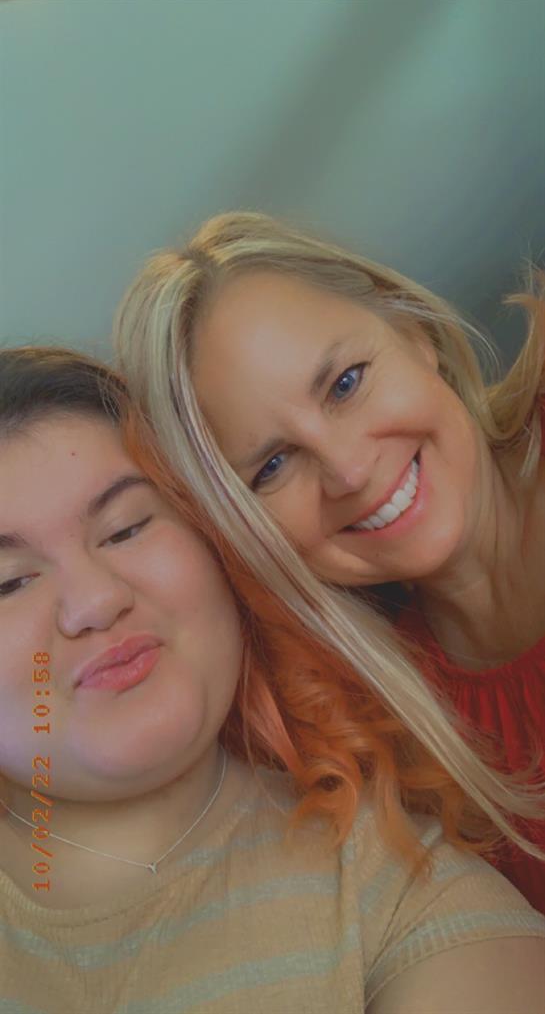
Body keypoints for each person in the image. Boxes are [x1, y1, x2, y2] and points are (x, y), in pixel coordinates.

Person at [0, 347, 544, 1014]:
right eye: (9, 582)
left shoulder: (402, 890)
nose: (94, 601)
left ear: (221, 545)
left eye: (127, 527)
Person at [112, 210, 545, 914]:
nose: (346, 470)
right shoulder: (382, 739)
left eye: (345, 383)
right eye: (273, 465)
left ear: (412, 331)